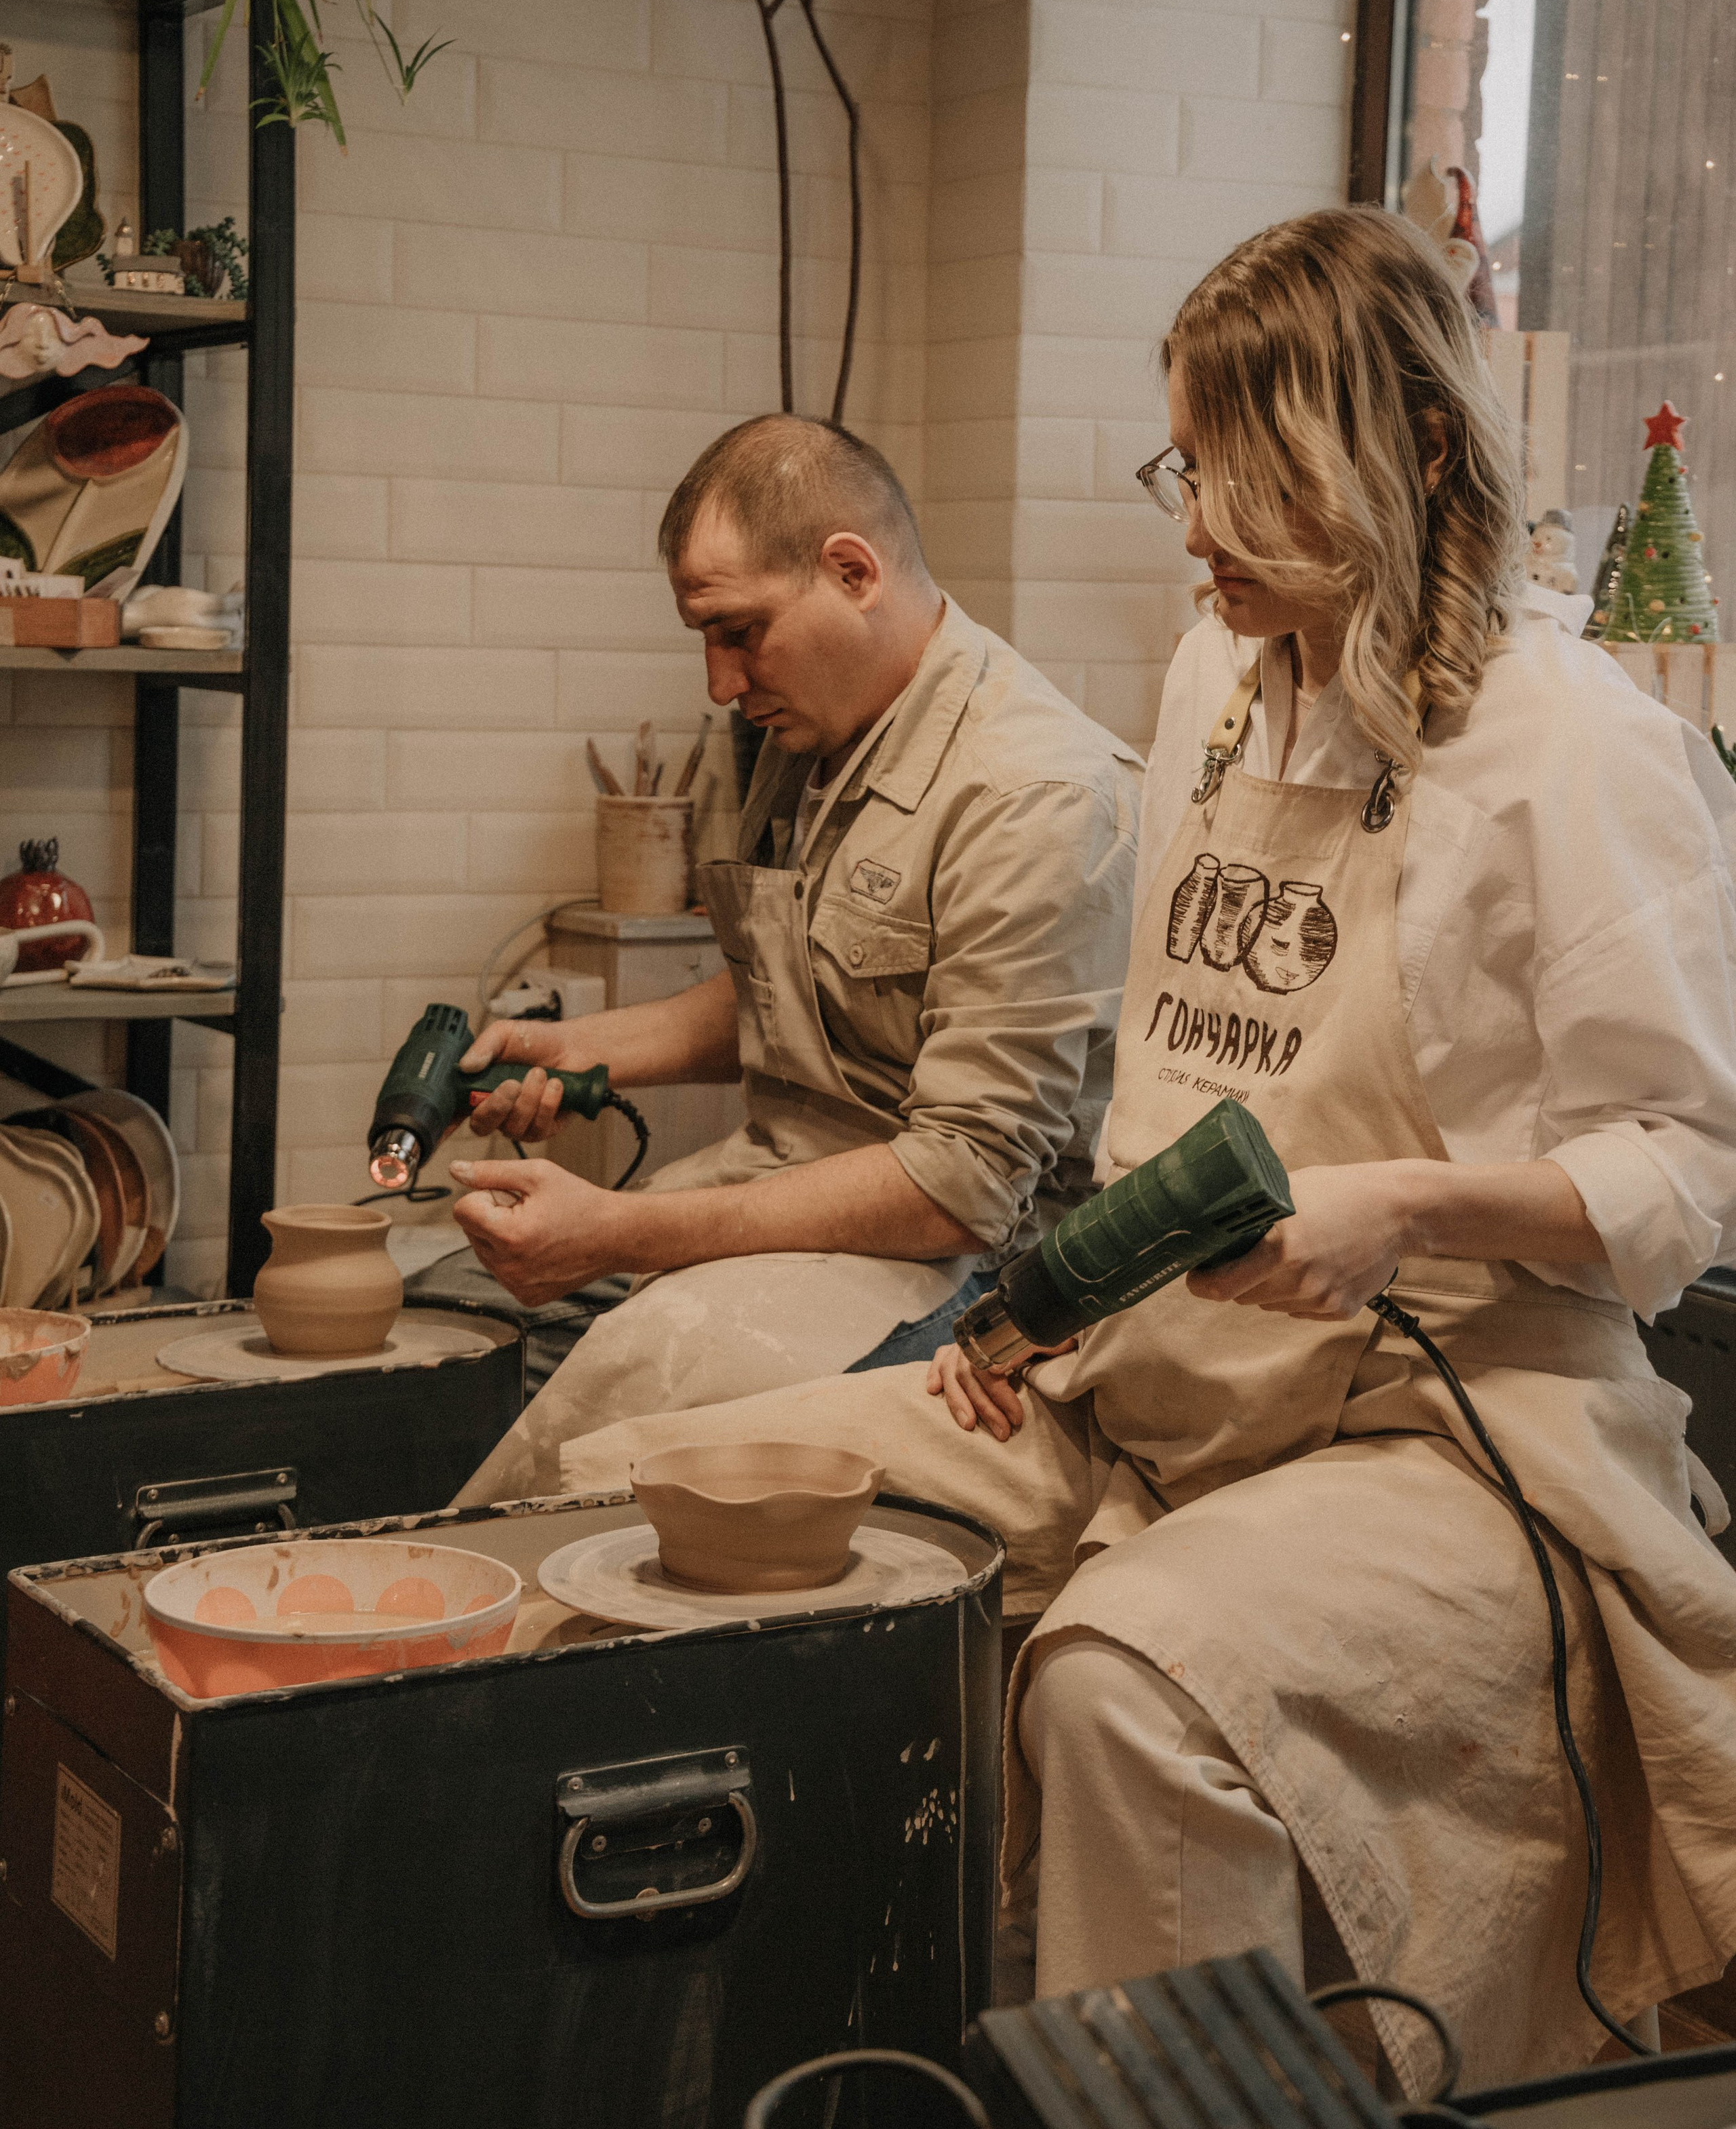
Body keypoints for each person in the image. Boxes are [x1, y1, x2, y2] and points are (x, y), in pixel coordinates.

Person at [549, 209, 1736, 2088]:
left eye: (1245, 468)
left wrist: (1403, 1202)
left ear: (1415, 440)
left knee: (1123, 1683)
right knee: (647, 1481)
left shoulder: (1573, 749)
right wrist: (1039, 1315)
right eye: (1186, 462)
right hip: (1159, 1383)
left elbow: (1683, 1176)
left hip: (1455, 1424)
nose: (1193, 522)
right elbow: (1172, 1100)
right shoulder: (1211, 685)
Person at [454, 415, 1141, 1504]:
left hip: (956, 1265)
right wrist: (580, 1048)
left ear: (853, 571)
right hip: (789, 1190)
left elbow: (961, 1188)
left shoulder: (1037, 796)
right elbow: (794, 986)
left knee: (611, 1419)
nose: (721, 682)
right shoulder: (818, 732)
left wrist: (622, 1232)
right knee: (464, 1325)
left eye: (741, 633)